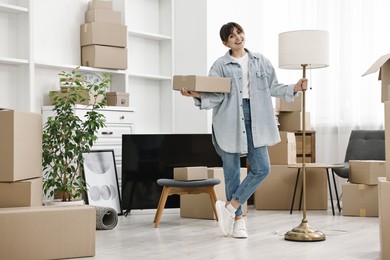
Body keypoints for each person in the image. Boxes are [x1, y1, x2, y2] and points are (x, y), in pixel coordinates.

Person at [180, 22, 307, 239]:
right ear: (225, 42)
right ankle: (238, 221)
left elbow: (273, 87)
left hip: (257, 117)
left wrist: (294, 88)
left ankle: (230, 207)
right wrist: (196, 95)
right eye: (232, 36)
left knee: (262, 168)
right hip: (228, 119)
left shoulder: (260, 61)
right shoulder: (220, 65)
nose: (238, 37)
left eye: (239, 33)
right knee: (231, 172)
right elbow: (216, 94)